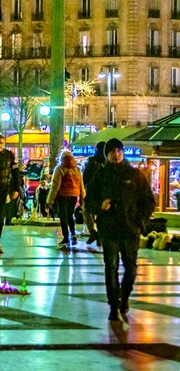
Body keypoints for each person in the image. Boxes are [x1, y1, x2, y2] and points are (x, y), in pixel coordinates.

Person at [85, 138, 156, 322]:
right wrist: (101, 206)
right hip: (108, 228)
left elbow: (149, 201)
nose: (116, 154)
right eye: (111, 152)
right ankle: (113, 305)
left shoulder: (135, 175)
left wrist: (140, 219)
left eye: (118, 151)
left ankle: (124, 296)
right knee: (111, 266)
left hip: (130, 228)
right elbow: (88, 202)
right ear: (106, 155)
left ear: (122, 153)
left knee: (131, 268)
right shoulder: (100, 176)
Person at [47, 151, 85, 246]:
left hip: (62, 196)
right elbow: (81, 185)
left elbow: (55, 186)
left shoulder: (59, 169)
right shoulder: (77, 169)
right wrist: (82, 199)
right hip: (74, 196)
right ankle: (73, 234)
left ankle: (66, 237)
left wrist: (49, 200)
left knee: (63, 217)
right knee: (70, 215)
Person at [82, 141, 106, 246]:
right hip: (103, 193)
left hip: (92, 192)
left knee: (87, 211)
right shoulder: (108, 162)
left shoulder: (92, 161)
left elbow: (85, 176)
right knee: (101, 214)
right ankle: (99, 234)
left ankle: (93, 232)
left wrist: (83, 188)